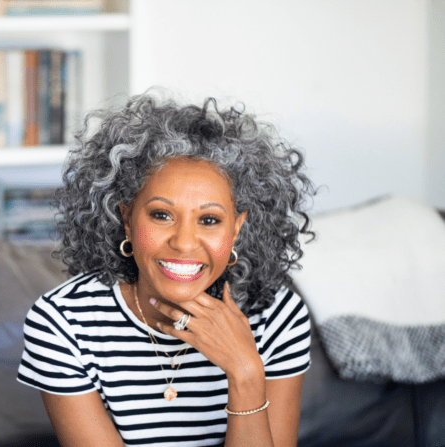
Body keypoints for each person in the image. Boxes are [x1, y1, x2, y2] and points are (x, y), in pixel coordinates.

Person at [16, 92, 316, 447]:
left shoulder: (278, 316)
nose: (185, 243)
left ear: (236, 229)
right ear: (126, 217)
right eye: (161, 215)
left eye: (209, 219)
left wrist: (245, 372)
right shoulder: (63, 322)